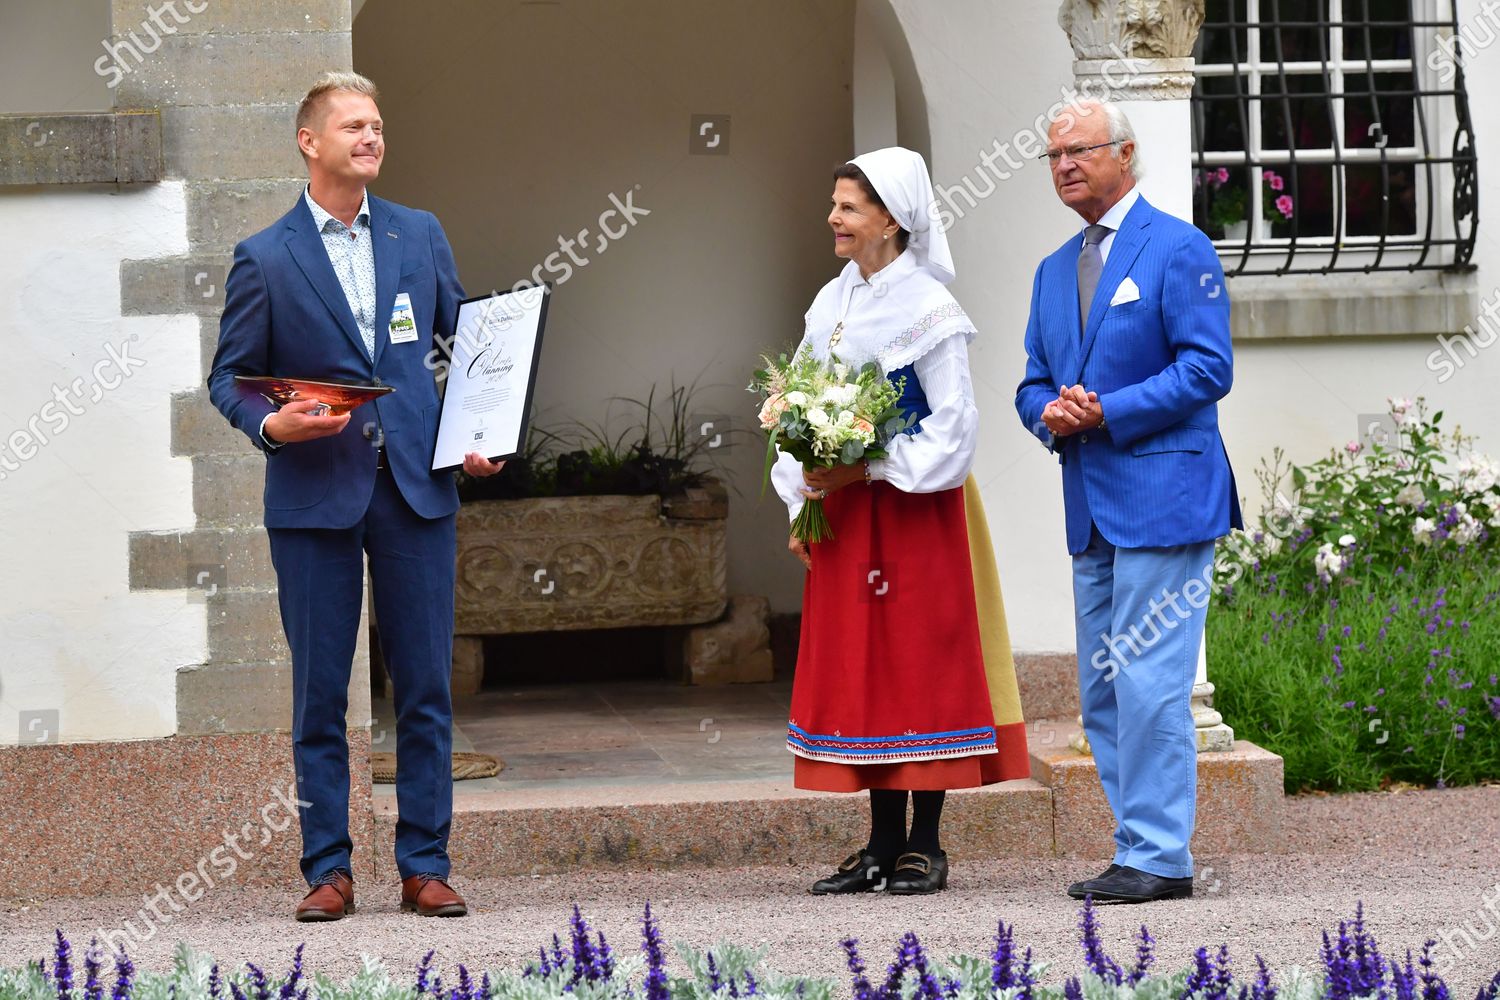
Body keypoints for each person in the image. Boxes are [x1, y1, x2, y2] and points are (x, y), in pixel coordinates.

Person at [208, 71, 504, 922]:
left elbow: (467, 344)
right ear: (310, 141)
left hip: (417, 488)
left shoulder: (420, 234)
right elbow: (229, 380)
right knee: (319, 696)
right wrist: (272, 426)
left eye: (377, 125)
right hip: (312, 496)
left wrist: (480, 433)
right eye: (352, 126)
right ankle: (328, 872)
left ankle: (425, 865)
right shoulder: (265, 256)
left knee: (424, 686)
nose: (370, 137)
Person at [772, 146, 1029, 896]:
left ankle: (926, 842)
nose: (834, 218)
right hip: (848, 512)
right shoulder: (832, 301)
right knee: (865, 664)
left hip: (913, 509)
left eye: (849, 207)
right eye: (836, 205)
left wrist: (872, 468)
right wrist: (806, 498)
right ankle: (881, 841)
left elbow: (954, 425)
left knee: (918, 657)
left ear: (891, 218)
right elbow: (796, 404)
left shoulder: (930, 308)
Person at [1014, 100, 1241, 903]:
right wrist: (1049, 412)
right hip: (1092, 506)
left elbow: (1208, 369)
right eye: (1053, 155)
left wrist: (1108, 409)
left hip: (1166, 497)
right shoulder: (1050, 271)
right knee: (1105, 692)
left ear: (1127, 155)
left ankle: (1159, 857)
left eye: (1081, 150)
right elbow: (1032, 381)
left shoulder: (1180, 247)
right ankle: (1140, 846)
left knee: (1150, 682)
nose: (1065, 164)